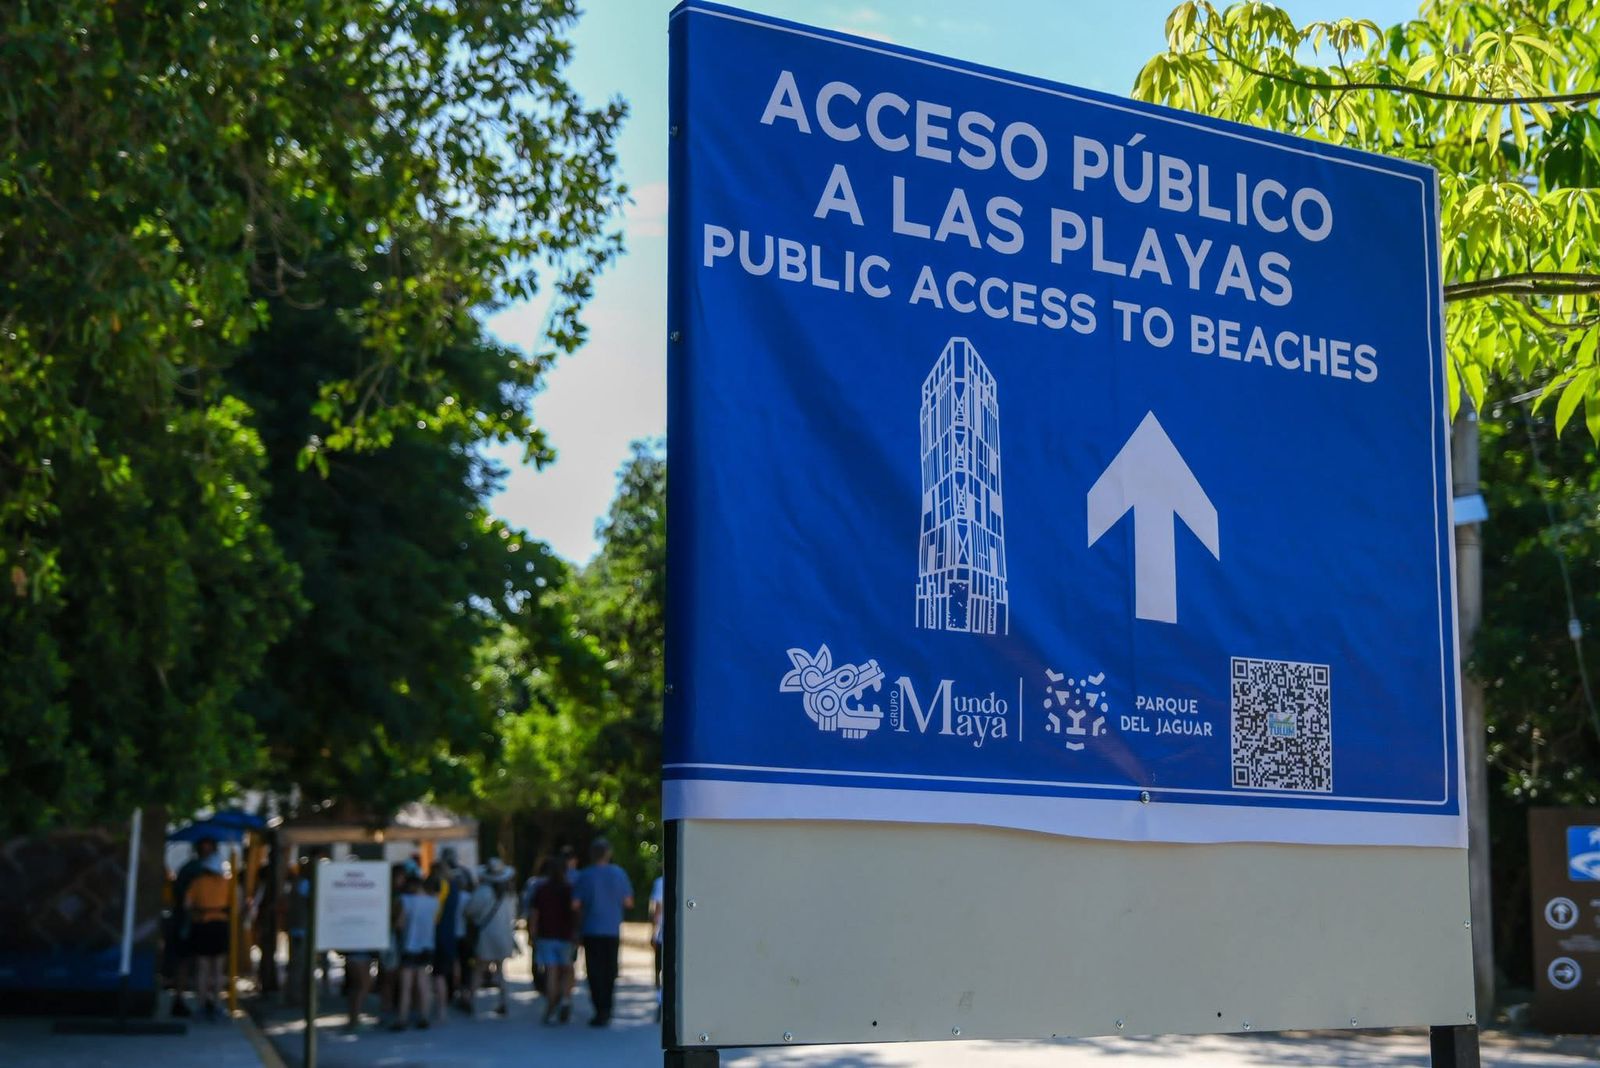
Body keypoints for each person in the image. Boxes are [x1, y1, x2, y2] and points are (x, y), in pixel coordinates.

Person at [573, 837, 633, 1027]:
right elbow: (628, 902)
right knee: (610, 970)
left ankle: (599, 1009)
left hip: (591, 929)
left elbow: (575, 904)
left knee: (594, 970)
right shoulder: (619, 874)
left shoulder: (585, 875)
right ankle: (608, 1007)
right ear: (608, 854)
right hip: (611, 929)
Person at [168, 836, 218, 1017]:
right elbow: (185, 901)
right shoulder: (198, 872)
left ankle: (196, 1000)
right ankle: (197, 1000)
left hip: (195, 922)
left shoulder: (193, 869)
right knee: (197, 962)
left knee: (196, 963)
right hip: (192, 922)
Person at [182, 846, 232, 1020]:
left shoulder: (197, 882)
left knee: (202, 967)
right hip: (221, 924)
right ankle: (218, 1004)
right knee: (218, 968)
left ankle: (201, 1005)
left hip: (202, 924)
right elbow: (238, 905)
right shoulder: (228, 883)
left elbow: (186, 905)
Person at [465, 857, 517, 1016]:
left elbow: (469, 911)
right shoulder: (510, 894)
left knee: (479, 968)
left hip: (486, 935)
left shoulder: (483, 892)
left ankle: (471, 1000)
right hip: (504, 935)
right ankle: (504, 1002)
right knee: (501, 970)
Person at [529, 856, 576, 1024]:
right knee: (568, 969)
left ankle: (551, 1003)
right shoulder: (570, 889)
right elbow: (576, 912)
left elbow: (535, 914)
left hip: (546, 935)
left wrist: (532, 934)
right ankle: (565, 999)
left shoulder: (541, 889)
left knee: (551, 971)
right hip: (565, 935)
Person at [392, 872, 435, 1030]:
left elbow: (399, 924)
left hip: (410, 945)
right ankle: (424, 1015)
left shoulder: (405, 901)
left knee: (406, 984)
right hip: (427, 945)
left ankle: (402, 1018)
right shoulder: (433, 901)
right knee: (423, 982)